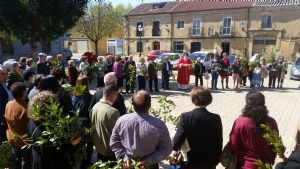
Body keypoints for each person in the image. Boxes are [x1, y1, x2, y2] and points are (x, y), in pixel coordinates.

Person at [110, 90, 172, 169]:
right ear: (149, 105)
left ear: (133, 105)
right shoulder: (159, 124)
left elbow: (114, 142)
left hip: (128, 165)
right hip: (149, 166)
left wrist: (124, 157)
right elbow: (166, 149)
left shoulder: (121, 121)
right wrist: (149, 161)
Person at [172, 87, 223, 169]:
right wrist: (217, 159)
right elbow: (219, 140)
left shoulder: (185, 117)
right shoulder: (216, 118)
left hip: (190, 161)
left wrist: (174, 148)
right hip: (209, 162)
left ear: (193, 99)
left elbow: (178, 139)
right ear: (209, 99)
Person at [27, 91, 77, 169]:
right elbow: (55, 154)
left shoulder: (32, 121)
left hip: (37, 160)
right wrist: (71, 144)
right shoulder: (47, 131)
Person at [230, 91, 278, 169]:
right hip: (266, 165)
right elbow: (275, 145)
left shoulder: (240, 122)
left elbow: (233, 145)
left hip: (245, 164)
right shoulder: (272, 122)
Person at [90, 85, 120, 162]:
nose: (117, 97)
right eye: (117, 95)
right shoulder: (113, 112)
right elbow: (119, 134)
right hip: (110, 152)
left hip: (99, 148)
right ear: (112, 95)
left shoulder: (95, 106)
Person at [5, 82, 30, 169]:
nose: (27, 91)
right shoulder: (26, 109)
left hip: (12, 138)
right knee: (26, 161)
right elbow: (30, 128)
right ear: (23, 93)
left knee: (17, 160)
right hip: (24, 142)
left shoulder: (8, 104)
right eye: (25, 90)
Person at [71, 76, 93, 169]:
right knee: (90, 145)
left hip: (77, 125)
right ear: (87, 85)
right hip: (88, 124)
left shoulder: (74, 96)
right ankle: (87, 162)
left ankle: (79, 162)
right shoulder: (90, 97)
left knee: (80, 145)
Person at [0, 67, 13, 143]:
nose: (6, 76)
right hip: (3, 119)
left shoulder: (6, 84)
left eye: (6, 74)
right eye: (2, 74)